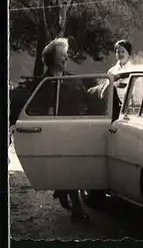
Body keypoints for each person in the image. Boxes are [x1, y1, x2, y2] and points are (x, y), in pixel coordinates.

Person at [33, 38, 90, 222]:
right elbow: (37, 108)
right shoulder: (44, 83)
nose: (66, 58)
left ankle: (64, 190)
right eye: (62, 55)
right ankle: (76, 209)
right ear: (52, 58)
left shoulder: (72, 79)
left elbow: (84, 100)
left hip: (72, 131)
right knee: (68, 168)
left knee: (72, 168)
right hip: (53, 134)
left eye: (66, 54)